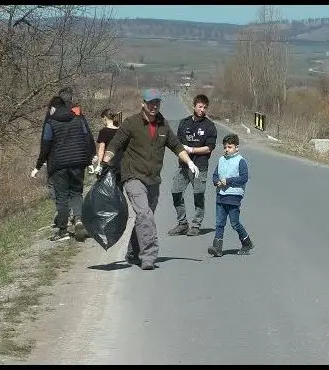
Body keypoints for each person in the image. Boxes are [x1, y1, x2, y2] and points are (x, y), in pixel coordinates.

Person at [100, 88, 200, 270]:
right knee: (145, 214)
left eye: (157, 102)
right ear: (143, 104)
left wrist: (189, 163)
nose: (154, 106)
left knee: (144, 217)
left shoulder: (163, 125)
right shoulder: (131, 123)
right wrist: (104, 162)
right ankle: (149, 256)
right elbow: (115, 144)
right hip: (132, 176)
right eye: (151, 102)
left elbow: (176, 146)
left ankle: (132, 251)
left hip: (153, 179)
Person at [31, 87, 96, 242]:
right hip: (78, 161)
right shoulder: (78, 117)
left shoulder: (51, 122)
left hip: (58, 164)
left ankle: (63, 231)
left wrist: (38, 165)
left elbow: (45, 146)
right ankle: (79, 220)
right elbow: (88, 138)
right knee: (76, 193)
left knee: (61, 197)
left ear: (54, 106)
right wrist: (90, 158)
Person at [168, 94, 217, 237]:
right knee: (175, 191)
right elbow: (178, 144)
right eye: (200, 106)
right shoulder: (184, 123)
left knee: (198, 195)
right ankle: (182, 223)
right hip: (184, 166)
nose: (203, 110)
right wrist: (183, 151)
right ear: (194, 106)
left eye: (205, 107)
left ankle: (196, 225)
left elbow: (209, 147)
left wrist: (192, 150)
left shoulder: (209, 126)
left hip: (200, 166)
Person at [208, 134, 254, 257]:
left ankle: (247, 242)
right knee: (219, 223)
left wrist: (228, 181)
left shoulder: (241, 161)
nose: (226, 149)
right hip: (221, 195)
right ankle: (217, 247)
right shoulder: (221, 160)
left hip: (234, 197)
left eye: (230, 147)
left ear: (236, 147)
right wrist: (216, 181)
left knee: (234, 223)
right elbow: (215, 174)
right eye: (225, 147)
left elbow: (244, 178)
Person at [93, 108, 123, 182]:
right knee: (118, 187)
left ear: (104, 118)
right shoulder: (121, 131)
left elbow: (101, 149)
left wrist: (99, 164)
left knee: (105, 186)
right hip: (119, 163)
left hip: (108, 163)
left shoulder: (104, 131)